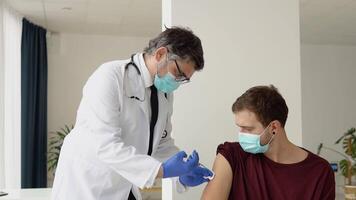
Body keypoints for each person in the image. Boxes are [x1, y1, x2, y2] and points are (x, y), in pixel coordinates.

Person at [51, 27, 213, 200]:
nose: (178, 83)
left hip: (123, 185)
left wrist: (183, 171)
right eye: (178, 74)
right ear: (160, 54)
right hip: (88, 185)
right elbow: (106, 145)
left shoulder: (164, 93)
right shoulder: (110, 77)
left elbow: (161, 143)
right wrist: (161, 170)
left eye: (184, 79)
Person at [201, 85, 335, 200]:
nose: (241, 134)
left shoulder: (319, 171)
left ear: (274, 128)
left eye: (248, 128)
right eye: (239, 127)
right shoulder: (231, 156)